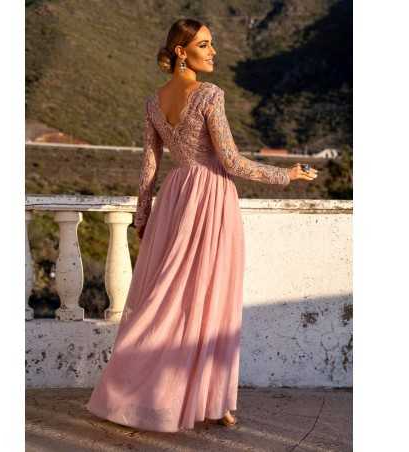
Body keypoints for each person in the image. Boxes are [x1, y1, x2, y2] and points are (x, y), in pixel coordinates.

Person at [86, 18, 318, 433]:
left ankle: (182, 396)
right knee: (211, 297)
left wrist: (143, 215)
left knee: (169, 300)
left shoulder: (154, 102)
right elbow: (230, 161)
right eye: (204, 45)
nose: (213, 52)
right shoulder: (210, 94)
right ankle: (211, 401)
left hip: (175, 198)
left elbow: (149, 167)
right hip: (210, 197)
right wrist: (287, 174)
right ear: (181, 51)